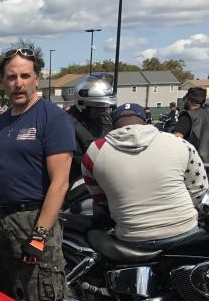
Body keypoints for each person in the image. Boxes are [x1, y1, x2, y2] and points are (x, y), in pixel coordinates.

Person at [0, 46, 76, 301]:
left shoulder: (53, 118)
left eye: (25, 75)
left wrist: (39, 236)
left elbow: (60, 183)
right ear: (3, 82)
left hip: (33, 221)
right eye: (12, 77)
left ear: (37, 78)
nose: (18, 83)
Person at [82, 103, 207, 249]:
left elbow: (101, 199)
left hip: (132, 239)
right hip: (185, 231)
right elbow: (199, 188)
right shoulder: (179, 143)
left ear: (112, 125)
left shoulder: (94, 151)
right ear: (146, 121)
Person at [66, 75, 114, 184]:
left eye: (103, 107)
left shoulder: (105, 120)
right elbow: (77, 160)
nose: (100, 111)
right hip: (80, 184)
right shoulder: (66, 123)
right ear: (82, 104)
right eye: (96, 107)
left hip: (105, 181)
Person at [173, 87, 209, 162]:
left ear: (189, 100)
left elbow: (176, 139)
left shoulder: (187, 116)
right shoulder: (206, 114)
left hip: (195, 164)